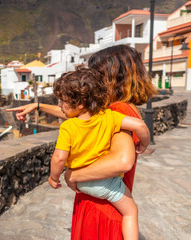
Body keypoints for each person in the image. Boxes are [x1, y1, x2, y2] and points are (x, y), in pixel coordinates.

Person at [6, 44, 157, 239]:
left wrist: (73, 175)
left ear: (110, 77)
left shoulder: (118, 110)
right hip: (101, 203)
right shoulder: (114, 112)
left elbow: (122, 161)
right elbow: (80, 113)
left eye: (95, 74)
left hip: (101, 210)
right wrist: (38, 106)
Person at [48, 66, 150, 240]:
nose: (59, 105)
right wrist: (143, 144)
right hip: (106, 183)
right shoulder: (108, 117)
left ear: (80, 104)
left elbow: (59, 158)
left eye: (62, 101)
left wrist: (54, 178)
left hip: (81, 181)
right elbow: (140, 125)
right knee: (131, 212)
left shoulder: (68, 127)